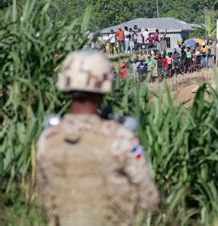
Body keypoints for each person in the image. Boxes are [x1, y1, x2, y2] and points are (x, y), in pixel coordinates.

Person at [36, 51, 158, 225]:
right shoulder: (121, 139)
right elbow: (149, 199)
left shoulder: (48, 139)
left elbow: (43, 198)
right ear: (105, 84)